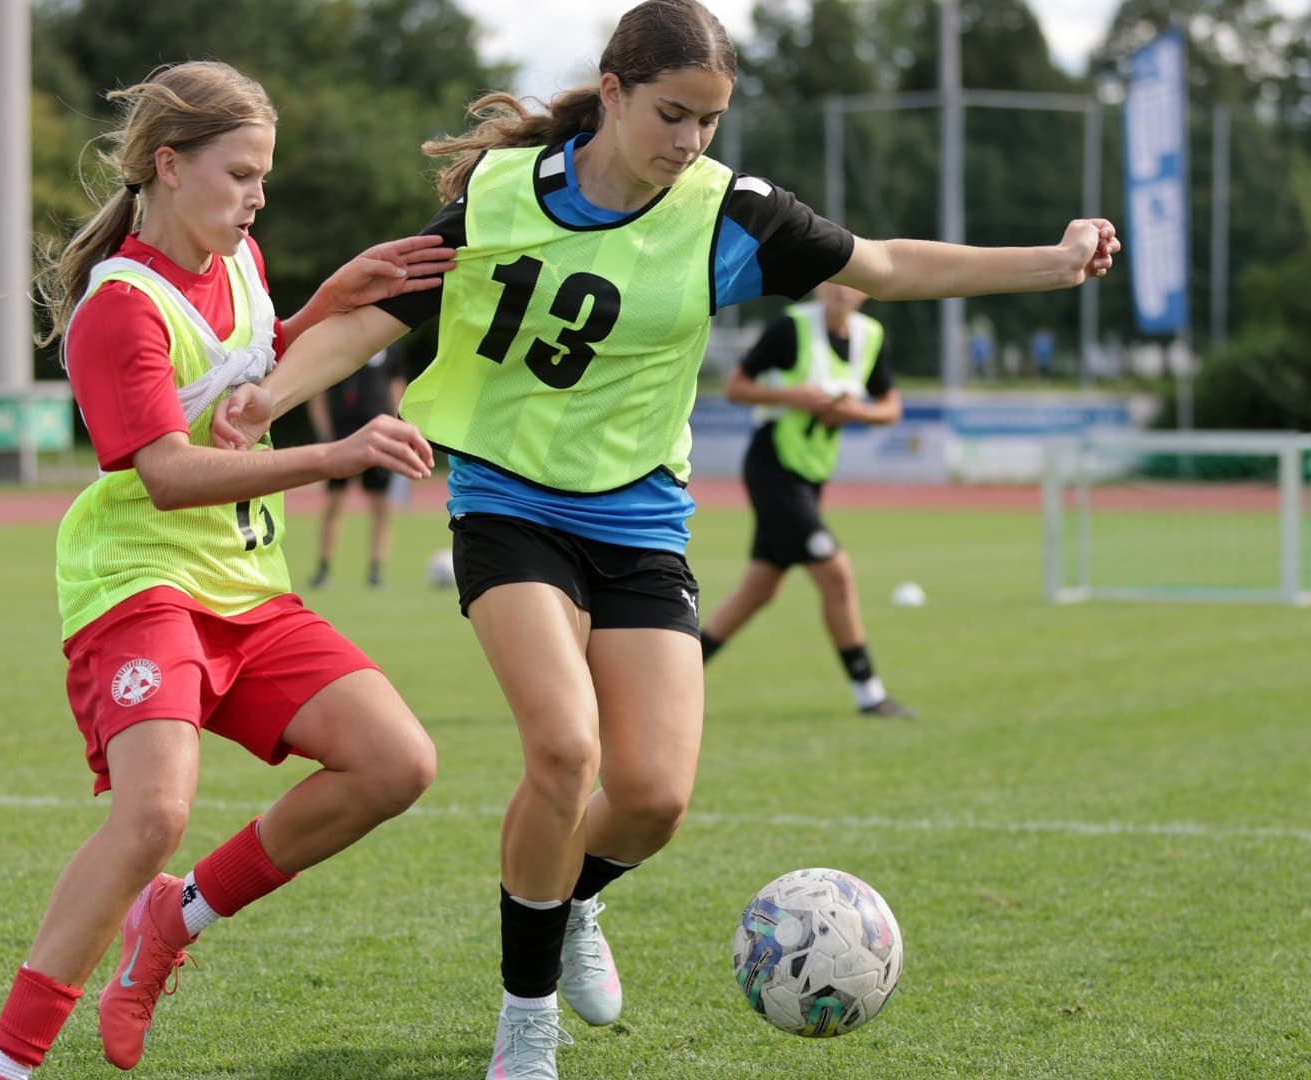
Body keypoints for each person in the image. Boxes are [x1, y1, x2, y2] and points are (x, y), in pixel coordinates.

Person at [213, 2, 1119, 1074]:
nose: (690, 141)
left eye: (709, 121)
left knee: (650, 797)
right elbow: (376, 319)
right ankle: (527, 1020)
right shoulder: (500, 195)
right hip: (506, 503)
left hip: (639, 516)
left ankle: (575, 900)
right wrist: (268, 397)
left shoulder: (732, 214)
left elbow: (880, 264)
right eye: (671, 114)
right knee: (563, 749)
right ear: (613, 91)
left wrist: (1050, 264)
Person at [0, 61, 454, 1080]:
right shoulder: (117, 310)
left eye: (264, 176)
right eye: (241, 174)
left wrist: (326, 300)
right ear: (169, 167)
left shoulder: (238, 258)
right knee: (153, 815)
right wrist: (337, 454)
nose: (257, 195)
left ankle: (175, 920)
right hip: (140, 582)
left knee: (395, 762)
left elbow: (249, 370)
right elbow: (175, 474)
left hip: (244, 583)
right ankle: (4, 1067)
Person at [698, 281, 913, 718]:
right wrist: (790, 397)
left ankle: (674, 675)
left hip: (810, 476)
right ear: (815, 285)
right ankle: (868, 693)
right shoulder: (791, 329)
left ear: (867, 291)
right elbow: (735, 386)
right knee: (836, 573)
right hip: (773, 466)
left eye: (853, 281)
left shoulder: (870, 337)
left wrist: (857, 412)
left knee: (757, 591)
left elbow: (890, 407)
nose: (840, 288)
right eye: (832, 277)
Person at [306, 347, 407, 589]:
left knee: (381, 505)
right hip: (341, 436)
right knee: (333, 504)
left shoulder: (391, 349)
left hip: (379, 437)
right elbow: (317, 391)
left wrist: (397, 427)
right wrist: (324, 431)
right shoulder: (343, 347)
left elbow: (397, 388)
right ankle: (324, 567)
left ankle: (376, 568)